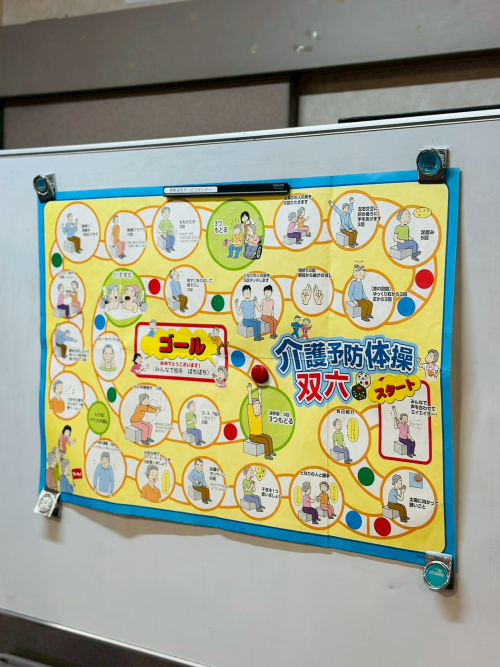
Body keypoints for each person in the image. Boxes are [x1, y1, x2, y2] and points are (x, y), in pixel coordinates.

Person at [246, 383, 275, 460]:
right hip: (253, 436)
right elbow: (250, 403)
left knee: (269, 438)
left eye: (259, 406)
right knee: (265, 440)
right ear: (253, 407)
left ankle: (271, 451)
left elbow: (261, 404)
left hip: (260, 434)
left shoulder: (259, 414)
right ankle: (267, 455)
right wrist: (249, 391)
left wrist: (259, 394)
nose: (258, 407)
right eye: (256, 406)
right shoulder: (251, 414)